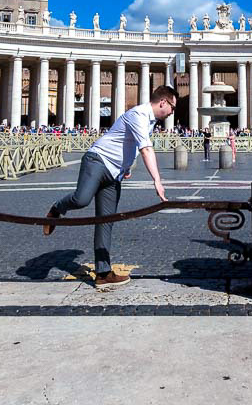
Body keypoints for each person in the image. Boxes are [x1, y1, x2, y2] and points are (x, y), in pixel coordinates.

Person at [43, 85, 176, 289]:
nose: (172, 112)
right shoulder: (138, 114)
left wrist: (126, 166)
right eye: (172, 107)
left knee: (106, 221)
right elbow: (146, 149)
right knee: (81, 199)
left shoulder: (150, 121)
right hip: (97, 161)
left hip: (115, 173)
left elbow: (128, 143)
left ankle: (103, 273)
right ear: (163, 102)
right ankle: (56, 208)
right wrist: (157, 180)